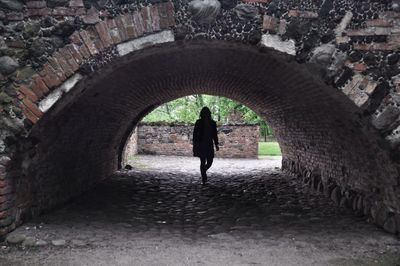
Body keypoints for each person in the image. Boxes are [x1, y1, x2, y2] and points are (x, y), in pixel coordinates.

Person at [193, 107, 219, 184]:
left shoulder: (213, 123)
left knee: (210, 161)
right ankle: (204, 178)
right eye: (204, 113)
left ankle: (203, 171)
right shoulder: (198, 122)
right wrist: (195, 144)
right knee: (202, 161)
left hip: (209, 144)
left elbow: (215, 134)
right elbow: (195, 134)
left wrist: (216, 144)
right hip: (201, 144)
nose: (205, 114)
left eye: (207, 113)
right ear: (202, 114)